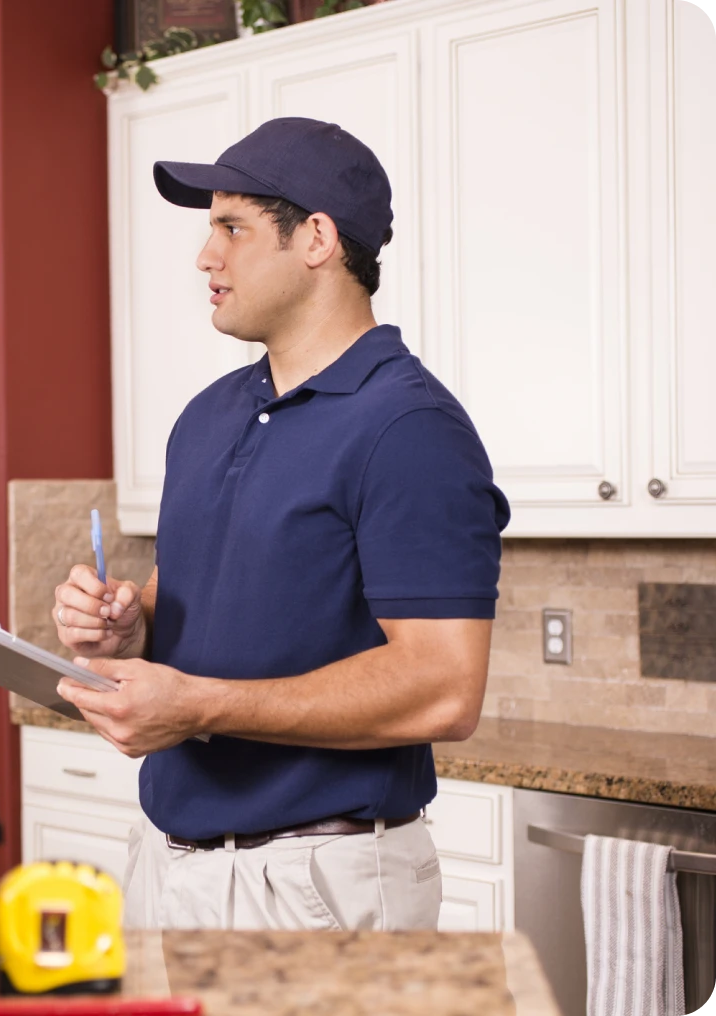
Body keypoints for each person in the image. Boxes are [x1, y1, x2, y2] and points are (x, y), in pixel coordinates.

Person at [53, 117, 510, 932]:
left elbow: (446, 688)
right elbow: (192, 598)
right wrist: (126, 625)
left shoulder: (409, 429)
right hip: (169, 866)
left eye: (232, 227)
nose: (205, 256)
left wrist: (198, 706)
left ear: (317, 239)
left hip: (317, 889)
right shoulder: (208, 414)